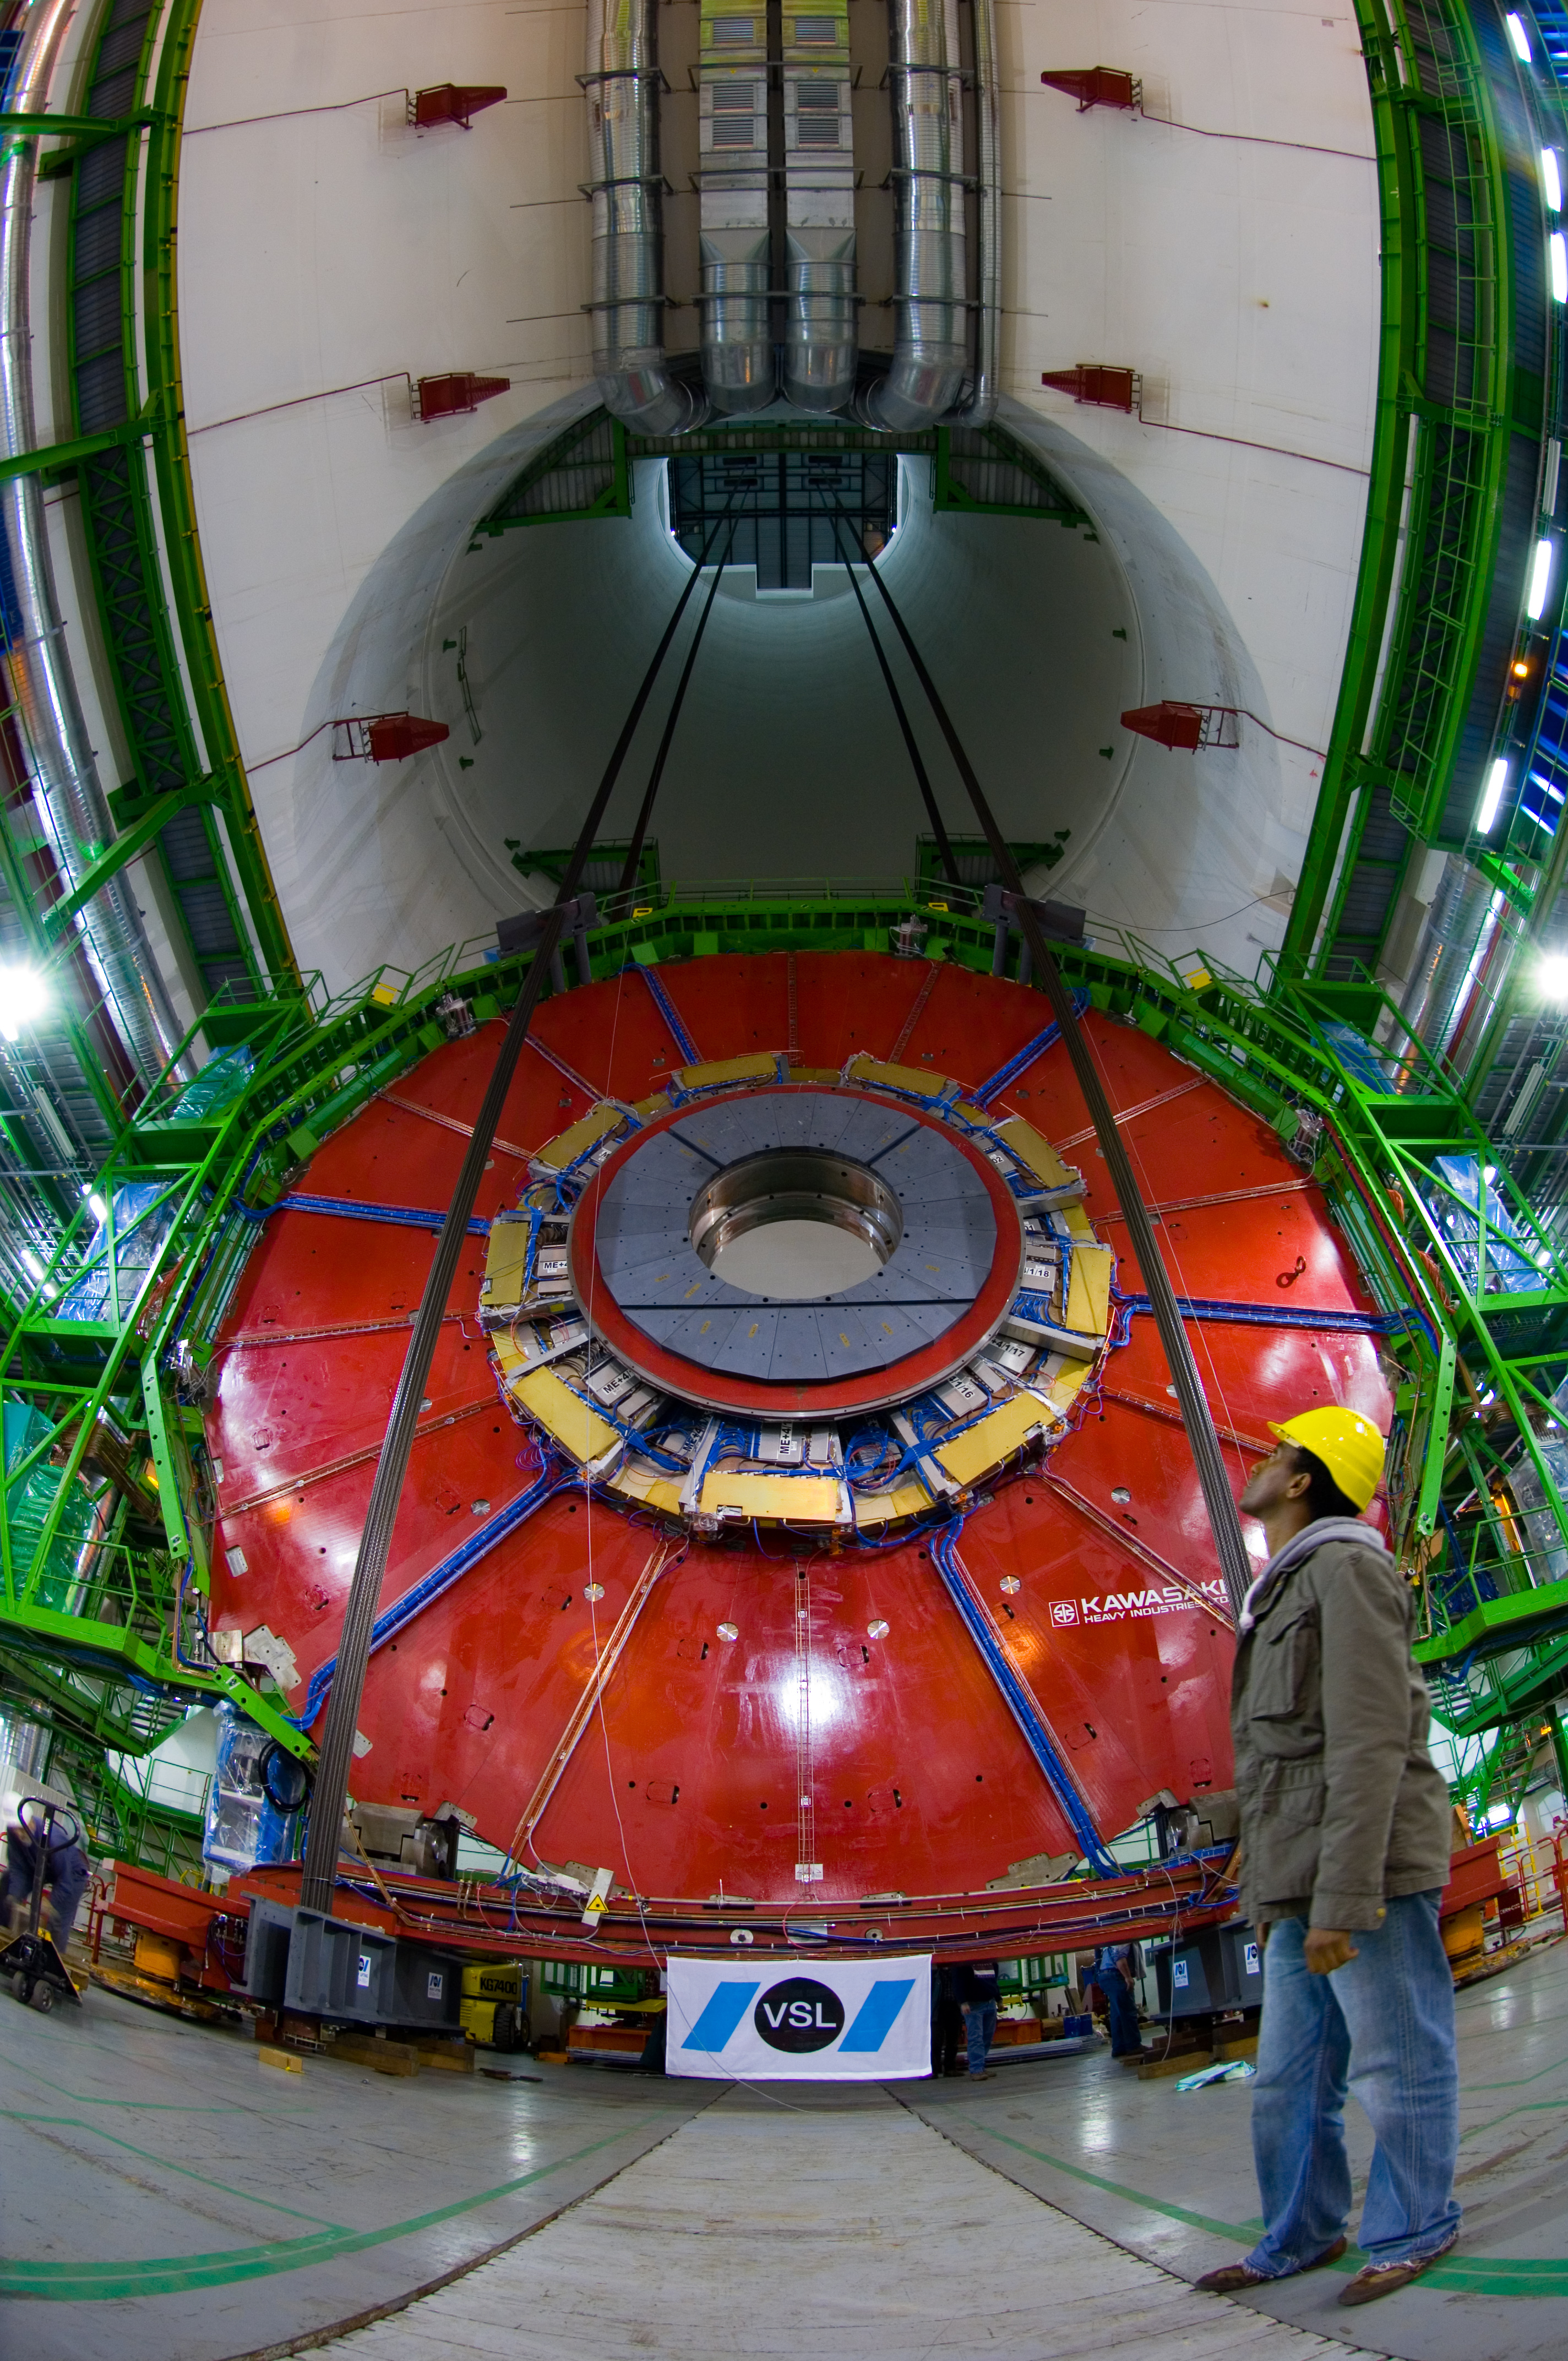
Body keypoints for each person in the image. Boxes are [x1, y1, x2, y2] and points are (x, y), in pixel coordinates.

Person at [1195, 1407, 1459, 2311]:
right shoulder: (1284, 1586)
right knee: (1286, 2079)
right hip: (1296, 1871)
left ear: (1303, 1480)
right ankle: (1301, 2232)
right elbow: (1292, 1747)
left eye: (1277, 1452)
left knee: (1395, 2058)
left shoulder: (1347, 1569)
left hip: (1366, 1871)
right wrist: (1252, 1843)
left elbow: (1369, 1738)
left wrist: (1345, 1899)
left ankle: (1415, 2226)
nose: (1260, 1460)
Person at [4, 1807, 89, 1945]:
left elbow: (66, 1880)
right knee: (7, 1887)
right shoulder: (14, 1832)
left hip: (72, 1872)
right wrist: (14, 1895)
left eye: (21, 1829)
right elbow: (18, 1867)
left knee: (55, 1919)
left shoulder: (54, 1839)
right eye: (15, 1829)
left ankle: (53, 1953)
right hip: (40, 1863)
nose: (18, 1834)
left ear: (31, 1822)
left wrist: (51, 1904)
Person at [1095, 1938, 1145, 2058]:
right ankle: (1134, 2046)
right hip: (1115, 1975)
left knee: (1117, 2014)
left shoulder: (1112, 1939)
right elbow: (1119, 1958)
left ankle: (1119, 2047)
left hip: (1105, 1976)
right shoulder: (1125, 1936)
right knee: (1128, 2011)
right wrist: (1128, 1978)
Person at [953, 1957, 1000, 2079]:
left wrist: (999, 1999)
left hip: (990, 2002)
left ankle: (981, 2067)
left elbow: (994, 1981)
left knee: (987, 2037)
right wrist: (963, 2002)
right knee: (976, 2038)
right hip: (973, 2005)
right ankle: (976, 2070)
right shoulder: (964, 1962)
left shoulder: (992, 1962)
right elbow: (958, 1982)